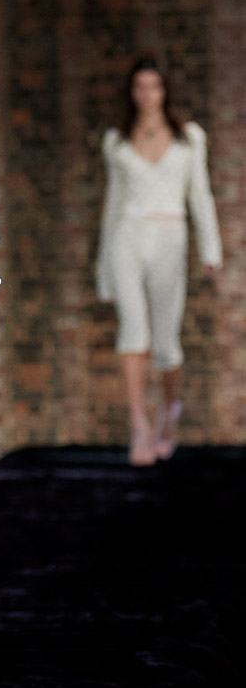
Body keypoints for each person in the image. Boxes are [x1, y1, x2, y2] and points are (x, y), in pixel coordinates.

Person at [96, 55, 222, 466]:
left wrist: (210, 249)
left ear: (165, 91)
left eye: (154, 86)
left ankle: (170, 414)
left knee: (167, 343)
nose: (147, 94)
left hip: (170, 236)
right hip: (127, 237)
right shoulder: (117, 140)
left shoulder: (189, 137)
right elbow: (113, 204)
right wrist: (103, 269)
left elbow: (199, 193)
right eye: (140, 86)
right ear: (132, 92)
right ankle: (139, 426)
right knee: (133, 332)